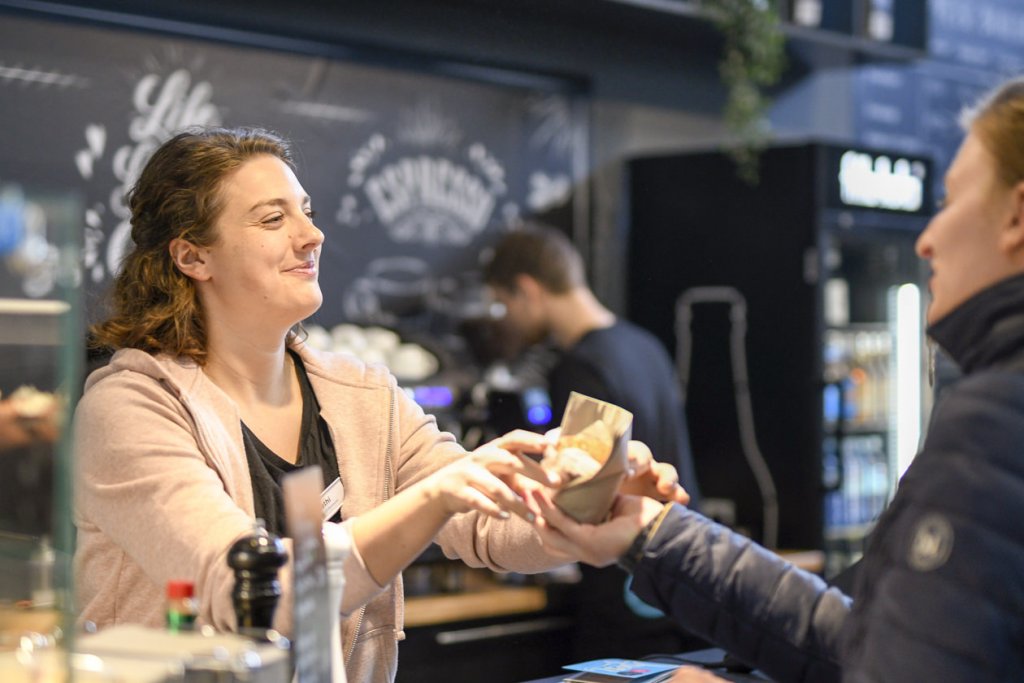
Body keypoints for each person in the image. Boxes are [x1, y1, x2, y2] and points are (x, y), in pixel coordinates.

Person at [72, 127, 688, 683]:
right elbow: (253, 588)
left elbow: (488, 527)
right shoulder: (132, 407)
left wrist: (588, 501)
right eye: (271, 219)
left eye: (307, 213)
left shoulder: (361, 394)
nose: (311, 235)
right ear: (192, 256)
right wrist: (439, 494)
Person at [526, 76, 1024, 682]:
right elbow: (863, 640)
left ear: (1016, 217)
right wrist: (654, 532)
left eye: (949, 202)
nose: (926, 240)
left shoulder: (995, 420)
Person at [483, 223, 703, 660]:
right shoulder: (643, 345)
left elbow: (582, 496)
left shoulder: (581, 367)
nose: (506, 317)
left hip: (622, 590)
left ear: (528, 290)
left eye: (504, 303)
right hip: (674, 573)